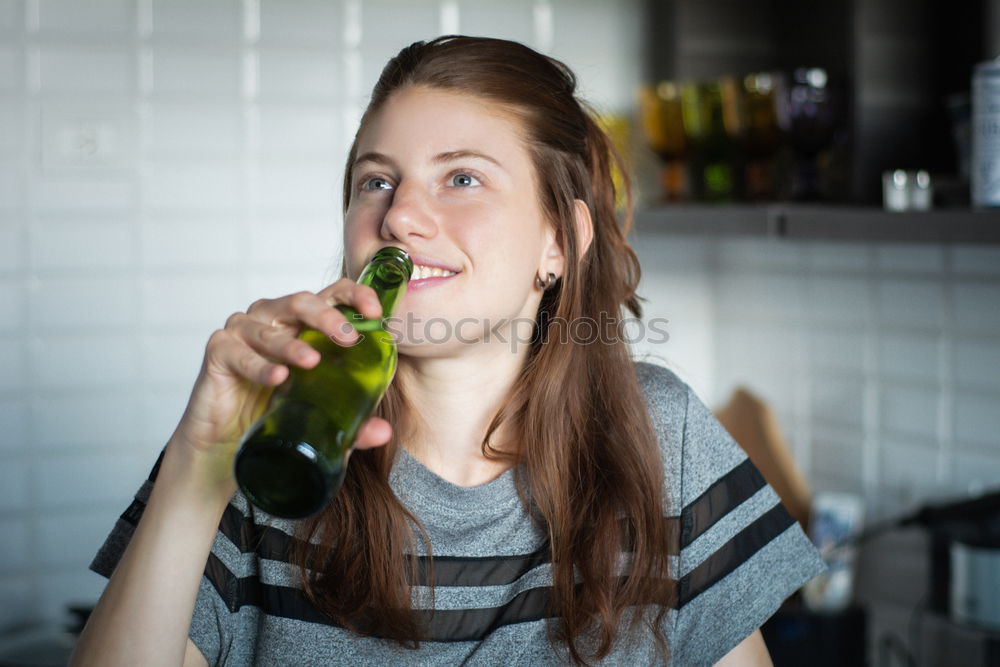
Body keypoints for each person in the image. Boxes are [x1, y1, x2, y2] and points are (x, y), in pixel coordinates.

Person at [72, 36, 824, 666]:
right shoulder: (275, 439)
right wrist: (199, 462)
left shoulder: (662, 435)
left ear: (560, 242)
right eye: (376, 181)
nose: (398, 215)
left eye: (461, 177)